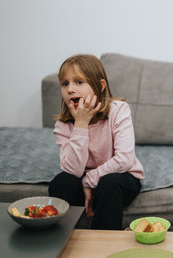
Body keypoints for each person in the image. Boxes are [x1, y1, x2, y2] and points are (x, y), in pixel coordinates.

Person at [48, 54, 145, 230]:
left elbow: (124, 159)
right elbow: (72, 170)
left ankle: (103, 246)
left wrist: (89, 180)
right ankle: (62, 241)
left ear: (100, 86)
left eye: (78, 82)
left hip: (120, 177)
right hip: (80, 176)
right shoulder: (62, 125)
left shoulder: (119, 110)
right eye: (65, 83)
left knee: (109, 183)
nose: (70, 89)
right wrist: (81, 125)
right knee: (61, 182)